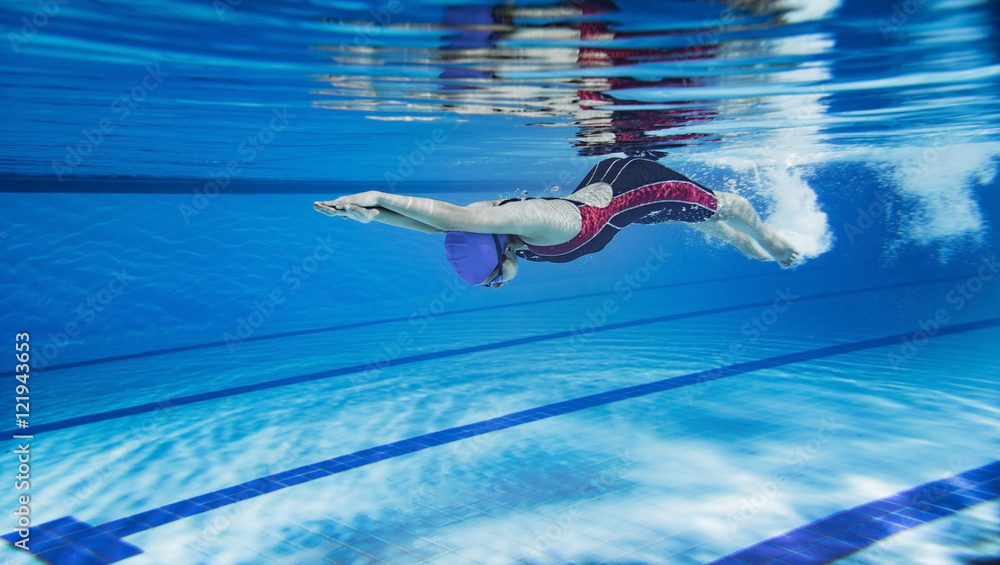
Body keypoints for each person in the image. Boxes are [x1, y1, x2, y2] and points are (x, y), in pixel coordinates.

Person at [314, 157, 798, 288]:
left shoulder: (543, 223)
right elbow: (443, 228)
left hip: (638, 185)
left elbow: (454, 217)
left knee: (722, 206)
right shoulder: (512, 240)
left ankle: (770, 240)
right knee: (686, 218)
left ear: (498, 255)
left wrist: (377, 193)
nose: (499, 285)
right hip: (624, 202)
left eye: (493, 282)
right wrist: (375, 218)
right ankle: (733, 237)